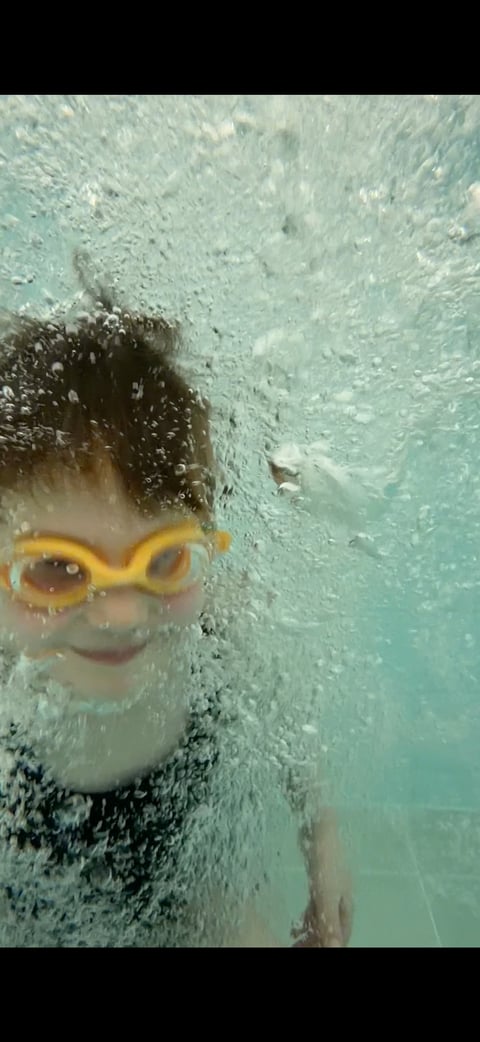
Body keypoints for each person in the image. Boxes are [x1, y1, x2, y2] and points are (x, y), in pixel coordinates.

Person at [0, 283, 352, 946]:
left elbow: (290, 730)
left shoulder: (222, 620)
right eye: (55, 569)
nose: (120, 615)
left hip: (182, 852)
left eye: (165, 560)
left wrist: (324, 840)